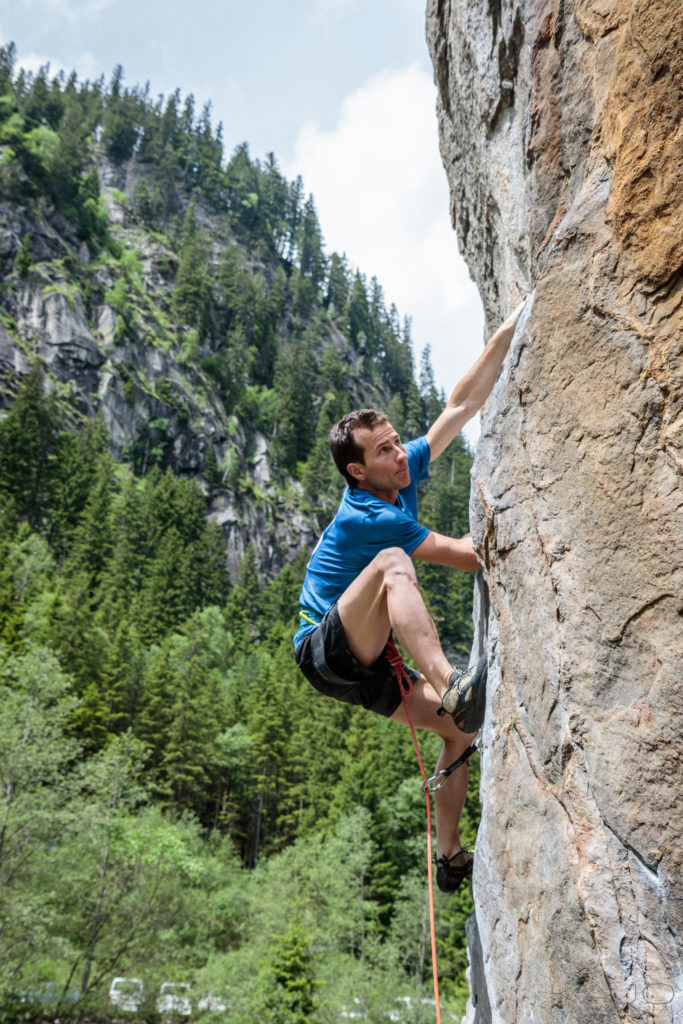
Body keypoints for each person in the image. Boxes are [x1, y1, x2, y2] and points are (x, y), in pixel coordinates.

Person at [294, 299, 526, 893]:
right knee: (395, 564)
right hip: (324, 650)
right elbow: (466, 553)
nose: (401, 456)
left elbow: (461, 405)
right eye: (384, 452)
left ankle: (449, 858)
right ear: (356, 471)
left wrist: (509, 327)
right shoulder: (366, 515)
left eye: (398, 443)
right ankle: (451, 683)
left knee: (459, 731)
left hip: (367, 662)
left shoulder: (398, 471)